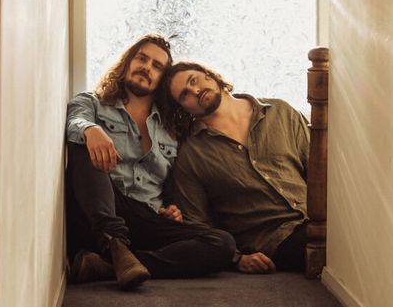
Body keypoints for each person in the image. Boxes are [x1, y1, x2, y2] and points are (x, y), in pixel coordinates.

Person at [66, 35, 236, 290]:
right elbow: (75, 120)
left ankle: (108, 265)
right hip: (102, 211)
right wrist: (91, 129)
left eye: (157, 66)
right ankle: (114, 243)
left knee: (222, 244)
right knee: (85, 145)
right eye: (142, 59)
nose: (147, 67)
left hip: (147, 219)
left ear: (162, 80)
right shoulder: (92, 102)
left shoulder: (172, 128)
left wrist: (170, 208)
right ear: (127, 62)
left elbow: (172, 186)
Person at [164, 61, 310, 274]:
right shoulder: (192, 155)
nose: (195, 91)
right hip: (276, 240)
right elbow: (197, 225)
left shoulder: (280, 111)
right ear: (183, 108)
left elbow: (321, 172)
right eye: (185, 95)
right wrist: (237, 259)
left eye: (194, 80)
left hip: (320, 220)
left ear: (209, 74)